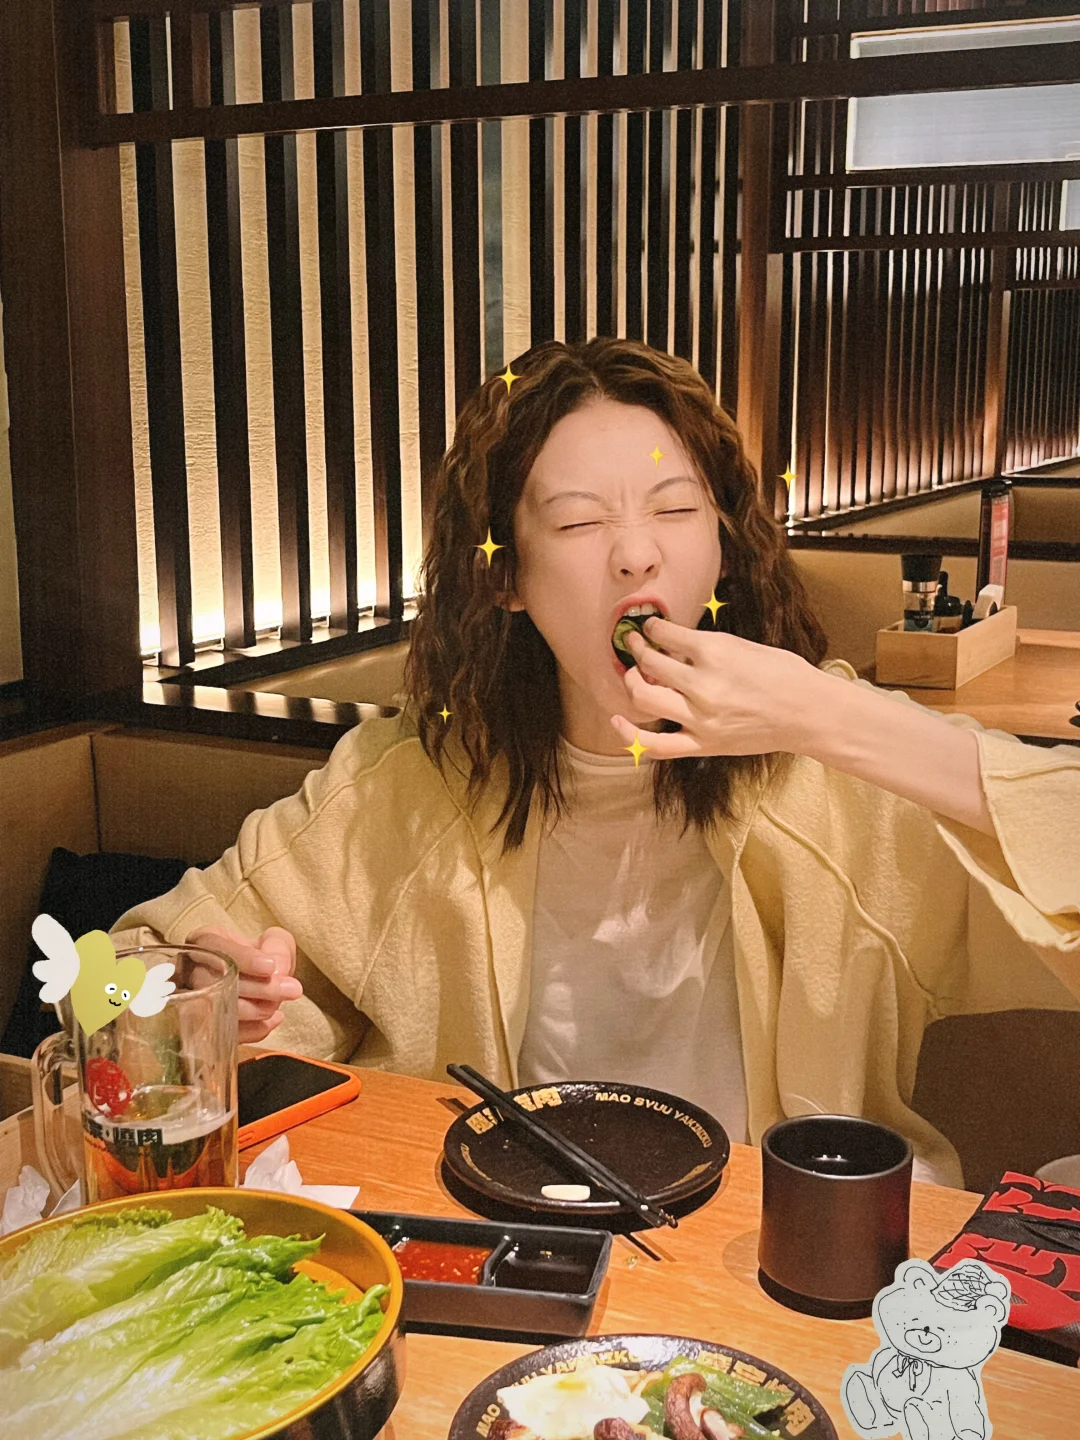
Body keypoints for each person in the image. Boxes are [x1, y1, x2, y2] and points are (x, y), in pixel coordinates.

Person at [109, 337, 1080, 1188]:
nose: (635, 556)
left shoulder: (837, 777)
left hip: (780, 1261)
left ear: (724, 549)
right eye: (578, 522)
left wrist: (825, 714)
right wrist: (192, 1003)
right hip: (500, 1249)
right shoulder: (414, 785)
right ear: (505, 577)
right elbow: (120, 978)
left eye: (676, 508)